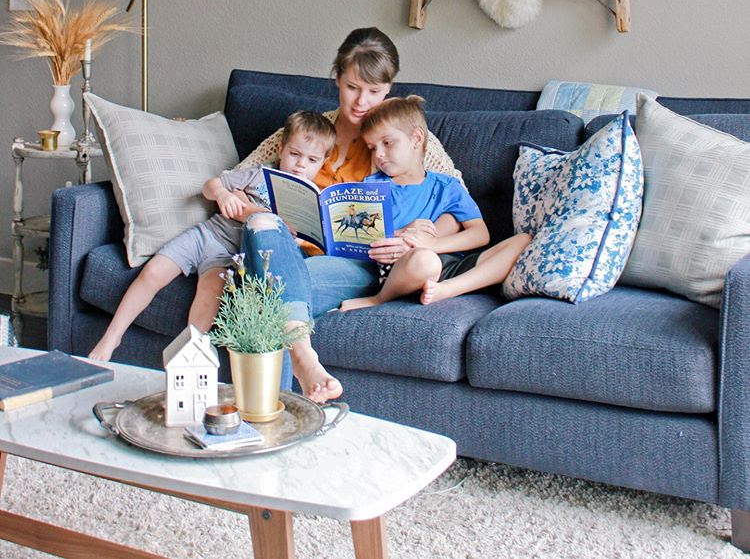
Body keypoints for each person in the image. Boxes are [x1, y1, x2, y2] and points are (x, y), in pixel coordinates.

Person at [236, 27, 463, 403]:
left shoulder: (398, 135)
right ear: (336, 79)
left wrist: (419, 235)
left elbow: (456, 202)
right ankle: (300, 371)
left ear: (389, 89)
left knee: (262, 288)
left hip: (361, 263)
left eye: (375, 91)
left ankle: (278, 406)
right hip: (289, 251)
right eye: (353, 87)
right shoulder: (309, 129)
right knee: (262, 224)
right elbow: (238, 181)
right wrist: (267, 212)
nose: (362, 102)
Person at [88, 111, 336, 362]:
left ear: (323, 162)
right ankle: (112, 337)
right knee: (153, 272)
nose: (300, 165)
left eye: (312, 160)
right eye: (294, 154)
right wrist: (223, 194)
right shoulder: (260, 173)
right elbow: (211, 185)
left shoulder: (309, 200)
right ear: (281, 149)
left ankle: (189, 355)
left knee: (210, 293)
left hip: (229, 257)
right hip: (207, 235)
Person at [339, 96, 532, 311]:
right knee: (425, 261)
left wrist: (432, 244)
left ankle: (449, 288)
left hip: (448, 267)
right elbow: (365, 236)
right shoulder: (373, 186)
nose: (379, 155)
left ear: (416, 138)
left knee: (523, 241)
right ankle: (379, 299)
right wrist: (405, 236)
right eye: (372, 148)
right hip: (403, 269)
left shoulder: (447, 186)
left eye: (387, 143)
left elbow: (480, 234)